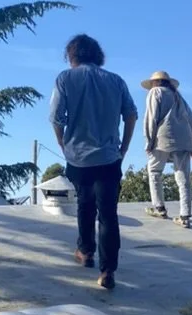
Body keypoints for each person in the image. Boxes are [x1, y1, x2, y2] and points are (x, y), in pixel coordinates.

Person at [49, 35, 137, 290]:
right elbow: (131, 114)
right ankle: (108, 270)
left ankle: (85, 252)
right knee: (108, 214)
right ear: (98, 55)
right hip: (109, 157)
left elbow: (56, 117)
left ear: (72, 55)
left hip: (78, 157)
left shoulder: (65, 78)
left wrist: (62, 143)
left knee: (84, 206)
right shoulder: (116, 80)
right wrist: (124, 147)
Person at [141, 70, 192, 228]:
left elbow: (151, 118)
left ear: (154, 83)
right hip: (184, 139)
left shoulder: (155, 92)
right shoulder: (178, 96)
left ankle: (159, 207)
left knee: (154, 171)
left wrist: (149, 142)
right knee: (183, 178)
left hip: (163, 137)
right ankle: (185, 216)